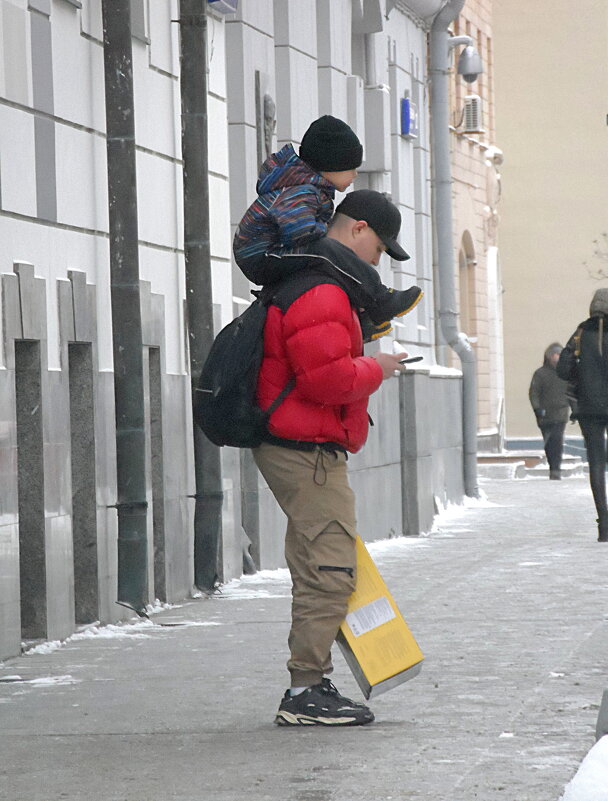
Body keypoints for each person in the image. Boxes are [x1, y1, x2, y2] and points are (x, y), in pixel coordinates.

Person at [251, 190, 410, 726]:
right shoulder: (322, 290)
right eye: (381, 247)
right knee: (331, 568)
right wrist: (378, 368)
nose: (379, 261)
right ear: (358, 229)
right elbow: (327, 379)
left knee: (318, 562)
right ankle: (304, 692)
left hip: (303, 444)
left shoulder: (321, 282)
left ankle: (310, 681)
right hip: (304, 449)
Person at [233, 114, 423, 340]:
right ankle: (380, 299)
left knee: (328, 260)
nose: (354, 175)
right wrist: (326, 238)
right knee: (327, 253)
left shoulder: (308, 189)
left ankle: (365, 320)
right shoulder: (301, 191)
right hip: (262, 255)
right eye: (351, 167)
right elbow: (299, 232)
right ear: (331, 165)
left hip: (270, 252)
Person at [558, 289, 608, 542]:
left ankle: (604, 525)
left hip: (588, 408)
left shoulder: (580, 333)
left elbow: (563, 369)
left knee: (597, 464)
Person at [528, 343, 570, 480]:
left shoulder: (565, 373)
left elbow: (572, 391)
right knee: (549, 442)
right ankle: (553, 465)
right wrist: (537, 409)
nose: (556, 357)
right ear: (549, 356)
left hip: (561, 413)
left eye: (559, 354)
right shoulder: (540, 374)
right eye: (554, 354)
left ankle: (555, 469)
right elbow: (534, 393)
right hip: (545, 415)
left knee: (557, 440)